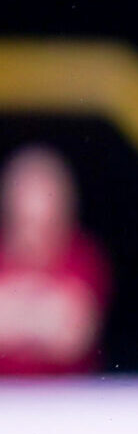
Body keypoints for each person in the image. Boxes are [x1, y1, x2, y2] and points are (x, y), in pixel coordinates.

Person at [0, 144, 109, 377]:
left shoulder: (84, 258)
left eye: (46, 225)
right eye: (27, 223)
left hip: (66, 404)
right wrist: (42, 312)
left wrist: (13, 309)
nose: (35, 238)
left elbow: (72, 337)